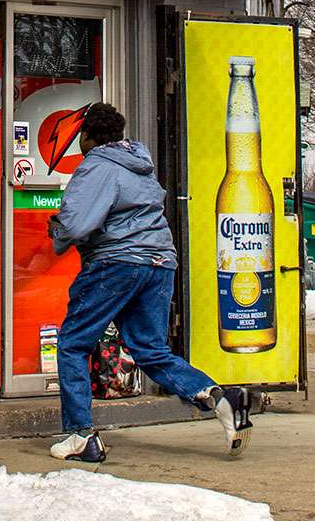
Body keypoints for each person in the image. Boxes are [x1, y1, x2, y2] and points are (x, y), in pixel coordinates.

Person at [47, 101, 252, 463]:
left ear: (87, 136)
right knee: (150, 351)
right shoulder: (140, 166)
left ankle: (81, 435)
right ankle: (217, 395)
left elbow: (77, 225)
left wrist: (58, 230)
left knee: (73, 343)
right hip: (159, 263)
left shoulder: (96, 165)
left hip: (116, 263)